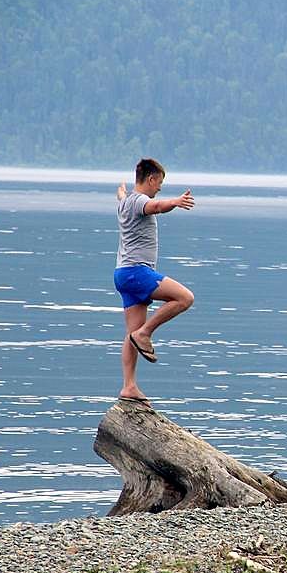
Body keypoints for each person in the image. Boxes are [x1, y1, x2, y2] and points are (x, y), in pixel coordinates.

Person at [113, 158, 195, 406]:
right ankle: (146, 333)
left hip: (123, 274)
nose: (160, 187)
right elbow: (157, 206)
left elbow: (124, 197)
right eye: (159, 182)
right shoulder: (140, 201)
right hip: (137, 272)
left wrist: (122, 193)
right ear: (150, 179)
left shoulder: (127, 201)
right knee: (184, 298)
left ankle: (129, 387)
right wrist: (176, 202)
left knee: (130, 335)